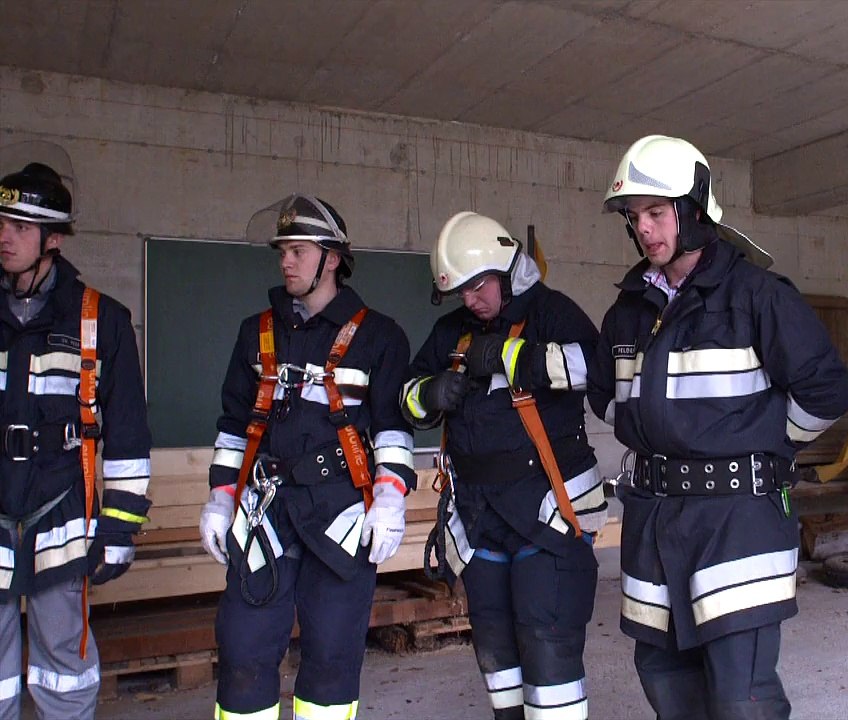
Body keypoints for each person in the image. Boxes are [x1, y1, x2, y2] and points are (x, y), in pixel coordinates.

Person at [587, 135, 848, 719]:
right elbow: (605, 394)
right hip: (653, 519)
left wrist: (763, 441)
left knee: (742, 697)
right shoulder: (630, 307)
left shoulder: (756, 296)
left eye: (656, 213)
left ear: (695, 207)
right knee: (663, 677)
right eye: (634, 218)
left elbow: (828, 392)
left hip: (737, 521)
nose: (645, 230)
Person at [199, 195, 415, 720]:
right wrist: (220, 499)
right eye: (282, 253)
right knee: (243, 651)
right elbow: (235, 426)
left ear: (332, 258)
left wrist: (389, 499)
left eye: (298, 251)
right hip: (264, 511)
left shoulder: (379, 336)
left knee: (333, 657)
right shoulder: (257, 333)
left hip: (341, 514)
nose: (286, 262)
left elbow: (392, 427)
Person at [402, 210, 606, 719]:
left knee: (547, 637)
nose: (470, 300)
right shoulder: (451, 330)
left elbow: (599, 370)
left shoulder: (552, 312)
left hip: (546, 513)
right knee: (493, 642)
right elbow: (403, 398)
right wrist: (429, 392)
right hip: (477, 516)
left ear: (502, 267)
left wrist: (513, 358)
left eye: (476, 287)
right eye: (460, 293)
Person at [0, 159, 151, 720]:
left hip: (59, 518)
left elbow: (130, 434)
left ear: (53, 239)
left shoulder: (101, 321)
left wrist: (118, 529)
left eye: (19, 226)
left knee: (63, 663)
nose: (4, 236)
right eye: (2, 222)